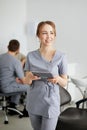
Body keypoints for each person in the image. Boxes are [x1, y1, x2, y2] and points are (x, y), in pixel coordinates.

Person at [24, 21, 68, 130]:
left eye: (51, 33)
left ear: (55, 35)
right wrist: (29, 78)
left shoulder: (61, 56)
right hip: (33, 100)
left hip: (51, 102)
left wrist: (57, 79)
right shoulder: (31, 55)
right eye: (44, 33)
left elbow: (65, 82)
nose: (48, 36)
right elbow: (27, 81)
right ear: (38, 35)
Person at [0, 39, 28, 116]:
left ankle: (12, 107)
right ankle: (27, 111)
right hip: (6, 88)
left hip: (1, 86)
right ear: (18, 49)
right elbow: (23, 80)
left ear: (7, 47)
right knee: (29, 87)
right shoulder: (16, 62)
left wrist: (15, 79)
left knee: (18, 84)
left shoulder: (0, 57)